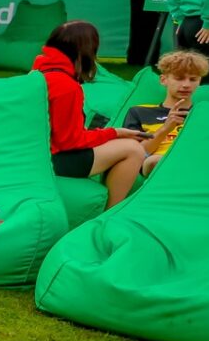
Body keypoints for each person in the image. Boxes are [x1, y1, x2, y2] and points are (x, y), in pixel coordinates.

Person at [33, 20, 147, 209]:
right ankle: (110, 213)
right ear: (86, 51)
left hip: (36, 152)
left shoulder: (38, 73)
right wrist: (114, 132)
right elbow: (69, 141)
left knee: (120, 144)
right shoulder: (66, 86)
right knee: (133, 149)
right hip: (52, 159)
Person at [123, 48, 208, 176]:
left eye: (193, 79)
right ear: (163, 80)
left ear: (199, 82)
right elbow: (133, 154)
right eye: (179, 78)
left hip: (196, 162)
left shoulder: (206, 115)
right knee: (155, 161)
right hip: (157, 164)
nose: (186, 85)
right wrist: (165, 129)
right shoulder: (140, 112)